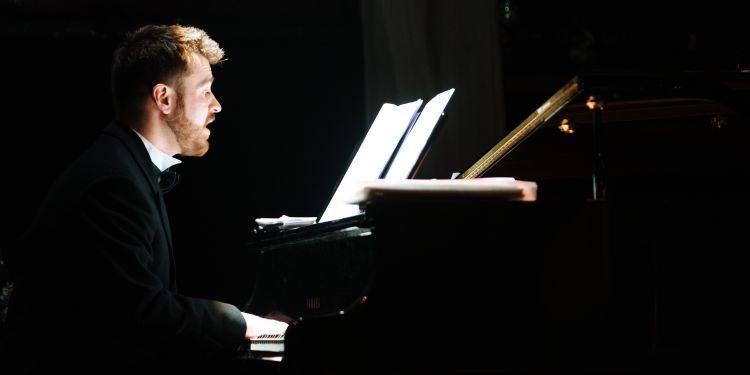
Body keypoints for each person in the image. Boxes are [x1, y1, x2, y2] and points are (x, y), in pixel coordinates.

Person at [0, 24, 288, 373]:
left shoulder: (123, 163)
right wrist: (253, 328)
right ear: (163, 98)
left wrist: (256, 334)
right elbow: (144, 314)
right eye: (205, 91)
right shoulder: (114, 182)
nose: (217, 106)